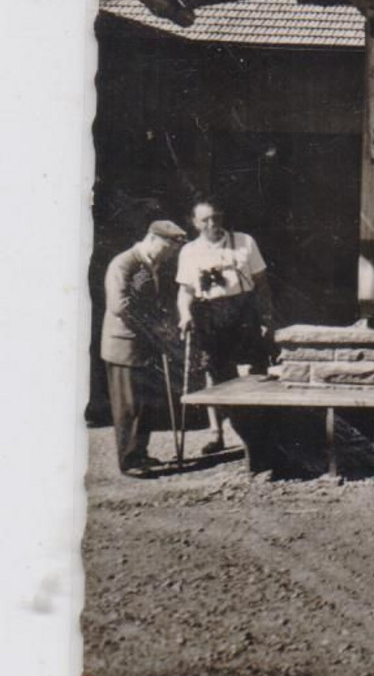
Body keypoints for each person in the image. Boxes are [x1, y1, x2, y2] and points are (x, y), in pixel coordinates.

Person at [176, 197, 277, 455]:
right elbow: (185, 291)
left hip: (243, 310)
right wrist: (185, 314)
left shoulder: (244, 241)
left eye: (217, 217)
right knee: (215, 374)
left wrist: (266, 315)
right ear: (195, 223)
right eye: (205, 220)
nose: (213, 224)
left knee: (251, 370)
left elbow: (261, 283)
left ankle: (254, 434)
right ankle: (216, 433)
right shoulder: (189, 251)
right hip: (209, 314)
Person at [102, 221, 187, 475]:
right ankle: (128, 461)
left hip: (147, 344)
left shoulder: (153, 264)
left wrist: (163, 326)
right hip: (124, 344)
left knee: (145, 403)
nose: (169, 254)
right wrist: (153, 329)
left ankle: (140, 453)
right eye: (166, 247)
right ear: (151, 239)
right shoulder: (123, 263)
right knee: (128, 405)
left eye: (172, 250)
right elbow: (120, 306)